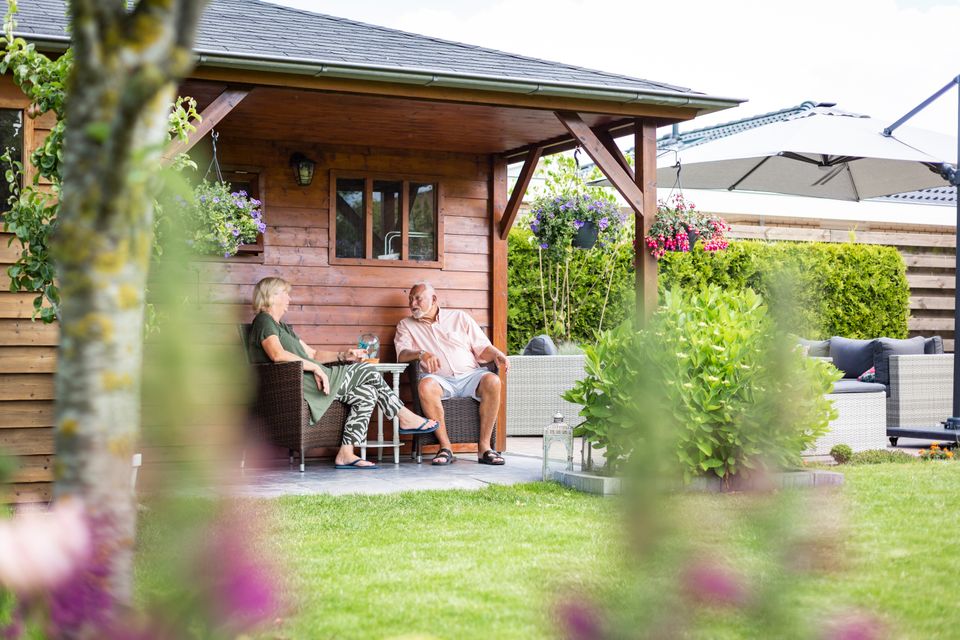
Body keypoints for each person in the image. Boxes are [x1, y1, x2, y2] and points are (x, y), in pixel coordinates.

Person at [247, 277, 439, 469]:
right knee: (366, 369)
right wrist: (314, 368)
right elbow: (277, 355)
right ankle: (404, 417)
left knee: (367, 394)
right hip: (300, 384)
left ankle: (346, 453)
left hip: (316, 379)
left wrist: (344, 355)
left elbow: (313, 354)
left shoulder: (284, 327)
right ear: (272, 296)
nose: (289, 298)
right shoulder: (264, 321)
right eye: (285, 293)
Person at [394, 281, 509, 466]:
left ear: (434, 299)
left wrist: (497, 354)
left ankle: (485, 448)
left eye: (418, 299)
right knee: (425, 385)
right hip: (439, 381)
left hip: (469, 376)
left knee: (493, 381)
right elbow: (402, 354)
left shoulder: (459, 317)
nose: (412, 304)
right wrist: (421, 353)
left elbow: (482, 348)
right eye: (410, 299)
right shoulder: (406, 325)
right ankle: (445, 447)